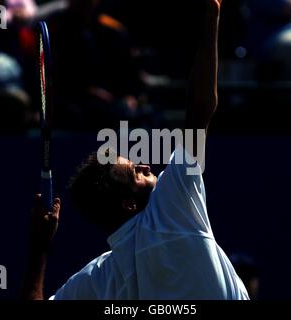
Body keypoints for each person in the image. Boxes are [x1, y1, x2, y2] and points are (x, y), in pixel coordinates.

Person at [22, 0, 249, 300]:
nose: (143, 165)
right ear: (129, 204)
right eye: (134, 172)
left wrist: (39, 247)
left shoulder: (100, 278)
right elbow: (199, 110)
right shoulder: (170, 208)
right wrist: (211, 18)